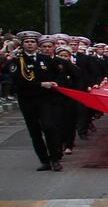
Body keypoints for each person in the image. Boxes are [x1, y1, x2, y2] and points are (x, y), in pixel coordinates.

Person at [3, 31, 67, 171]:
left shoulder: (47, 59)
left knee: (49, 127)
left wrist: (55, 83)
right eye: (27, 42)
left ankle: (55, 158)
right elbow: (18, 81)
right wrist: (40, 84)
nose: (30, 44)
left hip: (45, 99)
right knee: (35, 131)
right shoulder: (16, 62)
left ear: (37, 44)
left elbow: (60, 74)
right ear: (22, 44)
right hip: (27, 100)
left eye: (32, 42)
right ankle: (45, 160)